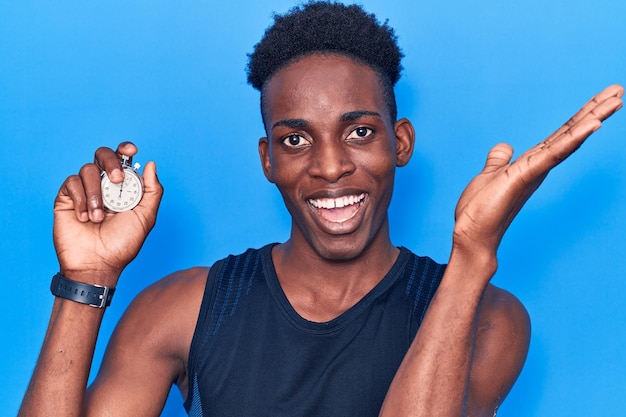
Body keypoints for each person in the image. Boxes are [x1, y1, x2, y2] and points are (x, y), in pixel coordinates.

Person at [18, 2, 623, 416]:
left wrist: (472, 253)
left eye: (359, 131)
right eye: (296, 139)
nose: (330, 166)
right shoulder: (182, 309)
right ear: (267, 160)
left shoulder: (489, 316)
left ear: (400, 142)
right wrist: (86, 279)